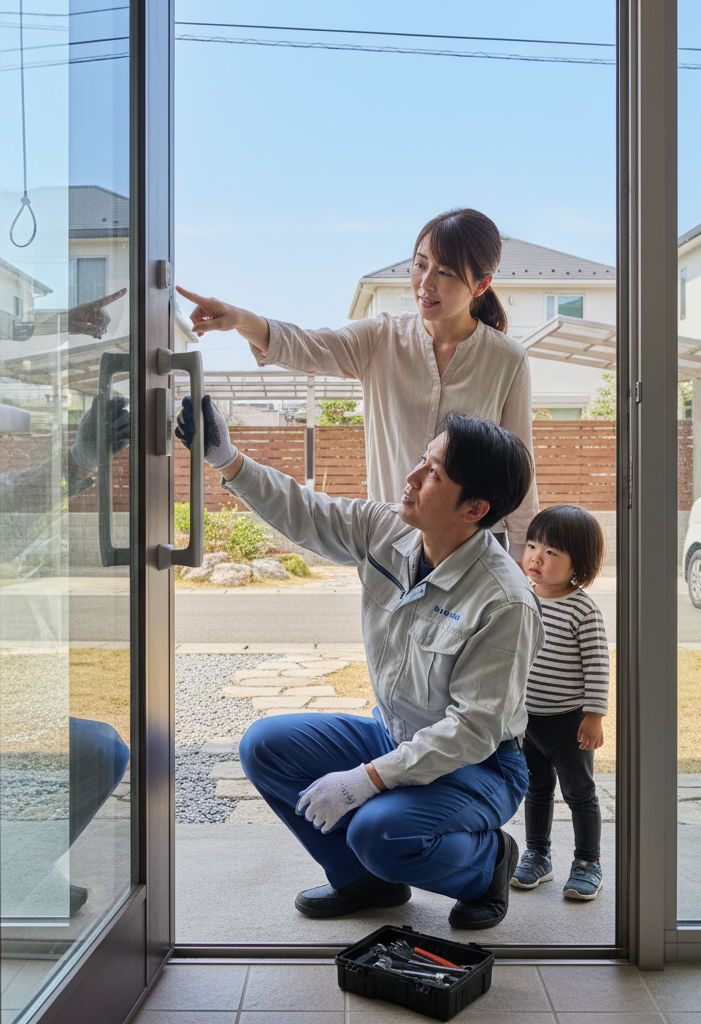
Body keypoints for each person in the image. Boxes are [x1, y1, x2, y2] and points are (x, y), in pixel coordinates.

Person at [175, 395, 546, 930]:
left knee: (379, 830)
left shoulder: (504, 601)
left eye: (434, 471)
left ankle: (487, 865)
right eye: (423, 457)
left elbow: (473, 729)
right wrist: (225, 457)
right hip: (392, 733)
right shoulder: (389, 531)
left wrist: (366, 779)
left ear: (475, 509)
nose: (413, 475)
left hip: (481, 764)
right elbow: (303, 510)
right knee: (264, 746)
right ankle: (364, 881)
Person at [176, 208, 539, 560]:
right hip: (391, 533)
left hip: (474, 546)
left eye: (445, 272)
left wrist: (523, 555)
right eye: (420, 263)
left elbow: (519, 467)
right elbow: (310, 346)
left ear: (482, 284)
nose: (425, 283)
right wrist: (241, 319)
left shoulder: (506, 358)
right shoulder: (382, 338)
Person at [510, 505, 609, 900]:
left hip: (569, 724)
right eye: (532, 545)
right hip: (526, 721)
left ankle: (588, 862)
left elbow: (598, 666)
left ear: (577, 565)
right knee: (536, 789)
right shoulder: (521, 598)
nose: (535, 556)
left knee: (579, 792)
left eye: (551, 552)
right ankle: (538, 854)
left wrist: (594, 716)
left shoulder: (582, 610)